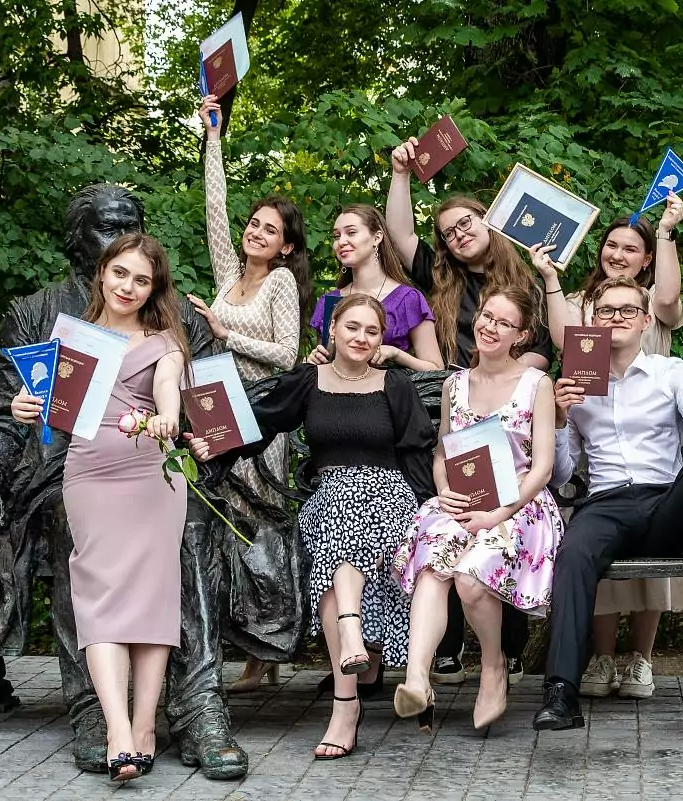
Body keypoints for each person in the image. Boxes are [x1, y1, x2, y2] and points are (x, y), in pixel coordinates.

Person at [0, 185, 239, 778]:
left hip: (162, 469)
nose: (121, 246)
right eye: (107, 231)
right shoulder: (38, 315)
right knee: (72, 532)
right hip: (65, 472)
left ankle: (198, 705)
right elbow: (0, 414)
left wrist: (206, 440)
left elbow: (210, 404)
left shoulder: (177, 321)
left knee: (192, 531)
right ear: (80, 243)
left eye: (131, 229)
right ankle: (95, 708)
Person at [187, 294, 436, 760]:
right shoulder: (309, 381)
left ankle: (346, 696)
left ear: (381, 340)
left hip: (389, 501)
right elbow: (261, 422)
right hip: (330, 501)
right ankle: (350, 660)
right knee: (334, 518)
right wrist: (215, 444)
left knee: (336, 532)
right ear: (332, 329)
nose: (361, 338)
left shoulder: (395, 385)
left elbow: (418, 452)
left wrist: (429, 517)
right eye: (352, 327)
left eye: (372, 331)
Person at [532, 275, 683, 732]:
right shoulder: (576, 382)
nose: (616, 318)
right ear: (592, 321)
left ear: (646, 321)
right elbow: (560, 475)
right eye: (605, 311)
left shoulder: (669, 371)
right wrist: (557, 418)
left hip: (664, 503)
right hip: (605, 504)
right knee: (573, 554)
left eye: (627, 310)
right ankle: (560, 693)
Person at [10, 233, 190, 782]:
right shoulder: (70, 342)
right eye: (120, 274)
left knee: (153, 602)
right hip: (89, 476)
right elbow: (47, 402)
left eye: (142, 280)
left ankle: (144, 727)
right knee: (99, 600)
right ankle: (117, 730)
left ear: (154, 288)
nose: (128, 287)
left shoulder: (166, 343)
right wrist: (25, 405)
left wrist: (167, 418)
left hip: (152, 479)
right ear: (103, 274)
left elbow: (169, 392)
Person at [387, 136, 556, 685]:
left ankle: (504, 650)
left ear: (490, 221)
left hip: (510, 411)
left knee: (498, 522)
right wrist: (401, 174)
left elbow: (545, 349)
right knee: (450, 514)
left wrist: (506, 376)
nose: (458, 234)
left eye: (466, 223)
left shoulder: (525, 281)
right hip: (455, 406)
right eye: (448, 232)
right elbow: (401, 237)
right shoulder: (442, 278)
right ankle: (446, 650)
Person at [535, 200, 683, 700]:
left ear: (647, 258)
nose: (618, 254)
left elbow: (668, 298)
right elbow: (566, 341)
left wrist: (667, 230)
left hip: (654, 433)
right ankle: (602, 657)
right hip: (603, 438)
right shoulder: (586, 303)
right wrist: (550, 278)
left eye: (631, 248)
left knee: (649, 565)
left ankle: (640, 658)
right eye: (611, 245)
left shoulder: (649, 301)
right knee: (592, 534)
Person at [392, 287, 563, 731]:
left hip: (521, 504)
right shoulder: (455, 384)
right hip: (464, 499)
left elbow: (543, 468)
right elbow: (441, 453)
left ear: (520, 335)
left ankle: (493, 664)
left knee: (469, 578)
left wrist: (499, 513)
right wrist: (445, 489)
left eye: (504, 323)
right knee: (433, 561)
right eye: (487, 316)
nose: (490, 326)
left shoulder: (536, 385)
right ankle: (416, 679)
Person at [192, 95, 312, 695]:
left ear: (286, 245)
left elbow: (288, 355)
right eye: (255, 223)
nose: (256, 232)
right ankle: (234, 646)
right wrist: (213, 138)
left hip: (262, 414)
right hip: (217, 409)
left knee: (258, 524)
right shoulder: (229, 278)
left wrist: (224, 332)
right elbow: (215, 212)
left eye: (270, 229)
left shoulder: (281, 282)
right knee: (220, 523)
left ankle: (269, 647)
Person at [307, 204, 442, 372]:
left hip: (390, 387)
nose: (341, 242)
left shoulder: (408, 299)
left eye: (351, 232)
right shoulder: (329, 301)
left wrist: (396, 354)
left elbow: (436, 369)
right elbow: (327, 361)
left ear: (377, 237)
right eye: (336, 236)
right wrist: (314, 360)